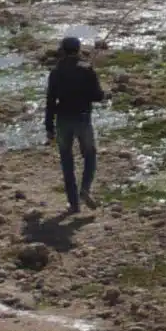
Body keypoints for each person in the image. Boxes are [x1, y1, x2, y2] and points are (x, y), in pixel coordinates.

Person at [43, 35, 107, 213]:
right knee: (90, 154)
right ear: (78, 50)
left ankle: (73, 204)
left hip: (63, 120)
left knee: (66, 160)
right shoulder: (87, 69)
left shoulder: (55, 72)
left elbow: (50, 101)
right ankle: (85, 188)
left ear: (62, 50)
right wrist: (103, 93)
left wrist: (49, 127)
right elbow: (97, 96)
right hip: (83, 118)